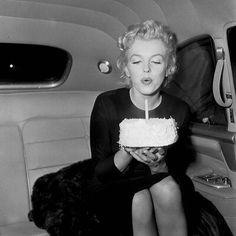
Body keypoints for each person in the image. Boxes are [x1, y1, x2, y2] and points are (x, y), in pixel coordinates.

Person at [88, 19, 233, 236]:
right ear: (126, 68)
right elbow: (100, 172)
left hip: (159, 175)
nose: (146, 69)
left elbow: (174, 167)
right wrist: (129, 150)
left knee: (168, 189)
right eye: (136, 62)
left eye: (156, 62)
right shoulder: (107, 104)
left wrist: (159, 162)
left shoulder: (179, 110)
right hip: (114, 181)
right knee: (139, 199)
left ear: (169, 67)